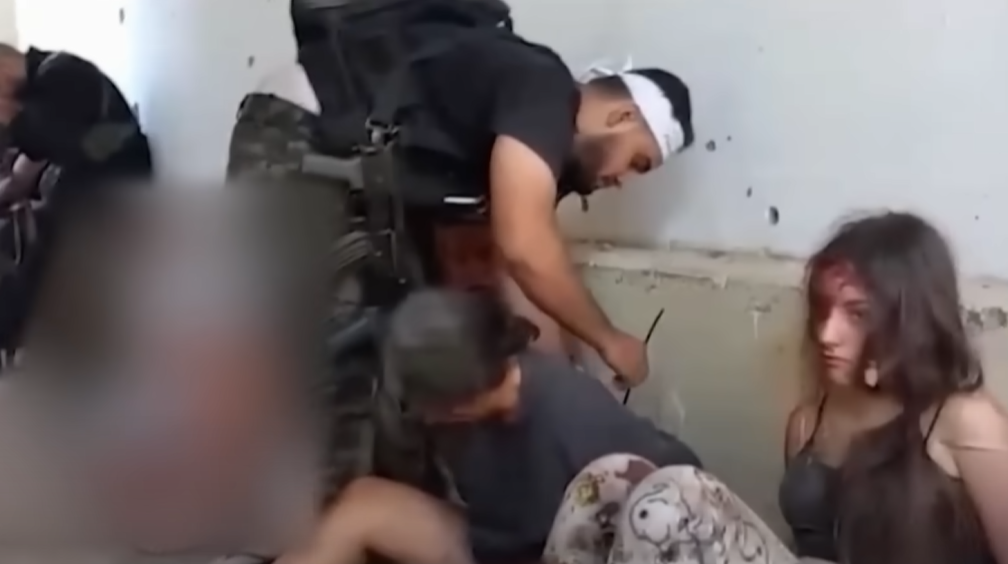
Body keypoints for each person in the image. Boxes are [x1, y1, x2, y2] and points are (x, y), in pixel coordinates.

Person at [228, 9, 696, 387]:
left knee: (391, 373)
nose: (622, 180)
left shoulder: (532, 146)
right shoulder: (543, 88)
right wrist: (609, 340)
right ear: (621, 116)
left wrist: (569, 388)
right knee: (304, 375)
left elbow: (517, 274)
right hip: (300, 140)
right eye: (637, 162)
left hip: (355, 181)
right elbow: (526, 249)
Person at [274, 288, 702, 564]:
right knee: (363, 504)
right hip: (494, 541)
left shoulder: (571, 414)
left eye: (422, 405)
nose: (418, 414)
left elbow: (683, 491)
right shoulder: (471, 401)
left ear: (458, 402)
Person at [779, 211, 1008, 564]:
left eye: (857, 314)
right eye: (823, 309)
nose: (827, 334)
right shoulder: (808, 423)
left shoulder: (964, 420)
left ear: (911, 320)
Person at [0, 43, 152, 202]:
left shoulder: (60, 77)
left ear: (3, 69)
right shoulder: (41, 84)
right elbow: (29, 165)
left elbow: (40, 138)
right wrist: (11, 187)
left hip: (124, 185)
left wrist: (7, 113)